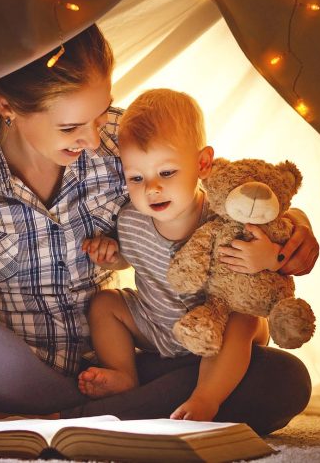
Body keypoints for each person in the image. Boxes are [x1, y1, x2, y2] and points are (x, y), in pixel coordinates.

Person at [0, 24, 318, 433]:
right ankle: (97, 416)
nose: (93, 139)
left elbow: (218, 191)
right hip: (5, 372)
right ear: (7, 106)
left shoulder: (120, 143)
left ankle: (40, 422)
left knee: (281, 379)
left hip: (112, 368)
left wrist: (294, 226)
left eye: (100, 114)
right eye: (70, 127)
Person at [78, 89, 279, 422]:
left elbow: (273, 242)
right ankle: (123, 373)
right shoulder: (130, 219)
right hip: (158, 326)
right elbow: (132, 259)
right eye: (136, 178)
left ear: (202, 164)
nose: (152, 188)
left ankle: (206, 397)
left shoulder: (224, 214)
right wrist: (112, 256)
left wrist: (268, 257)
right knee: (105, 304)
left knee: (245, 317)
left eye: (166, 173)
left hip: (219, 329)